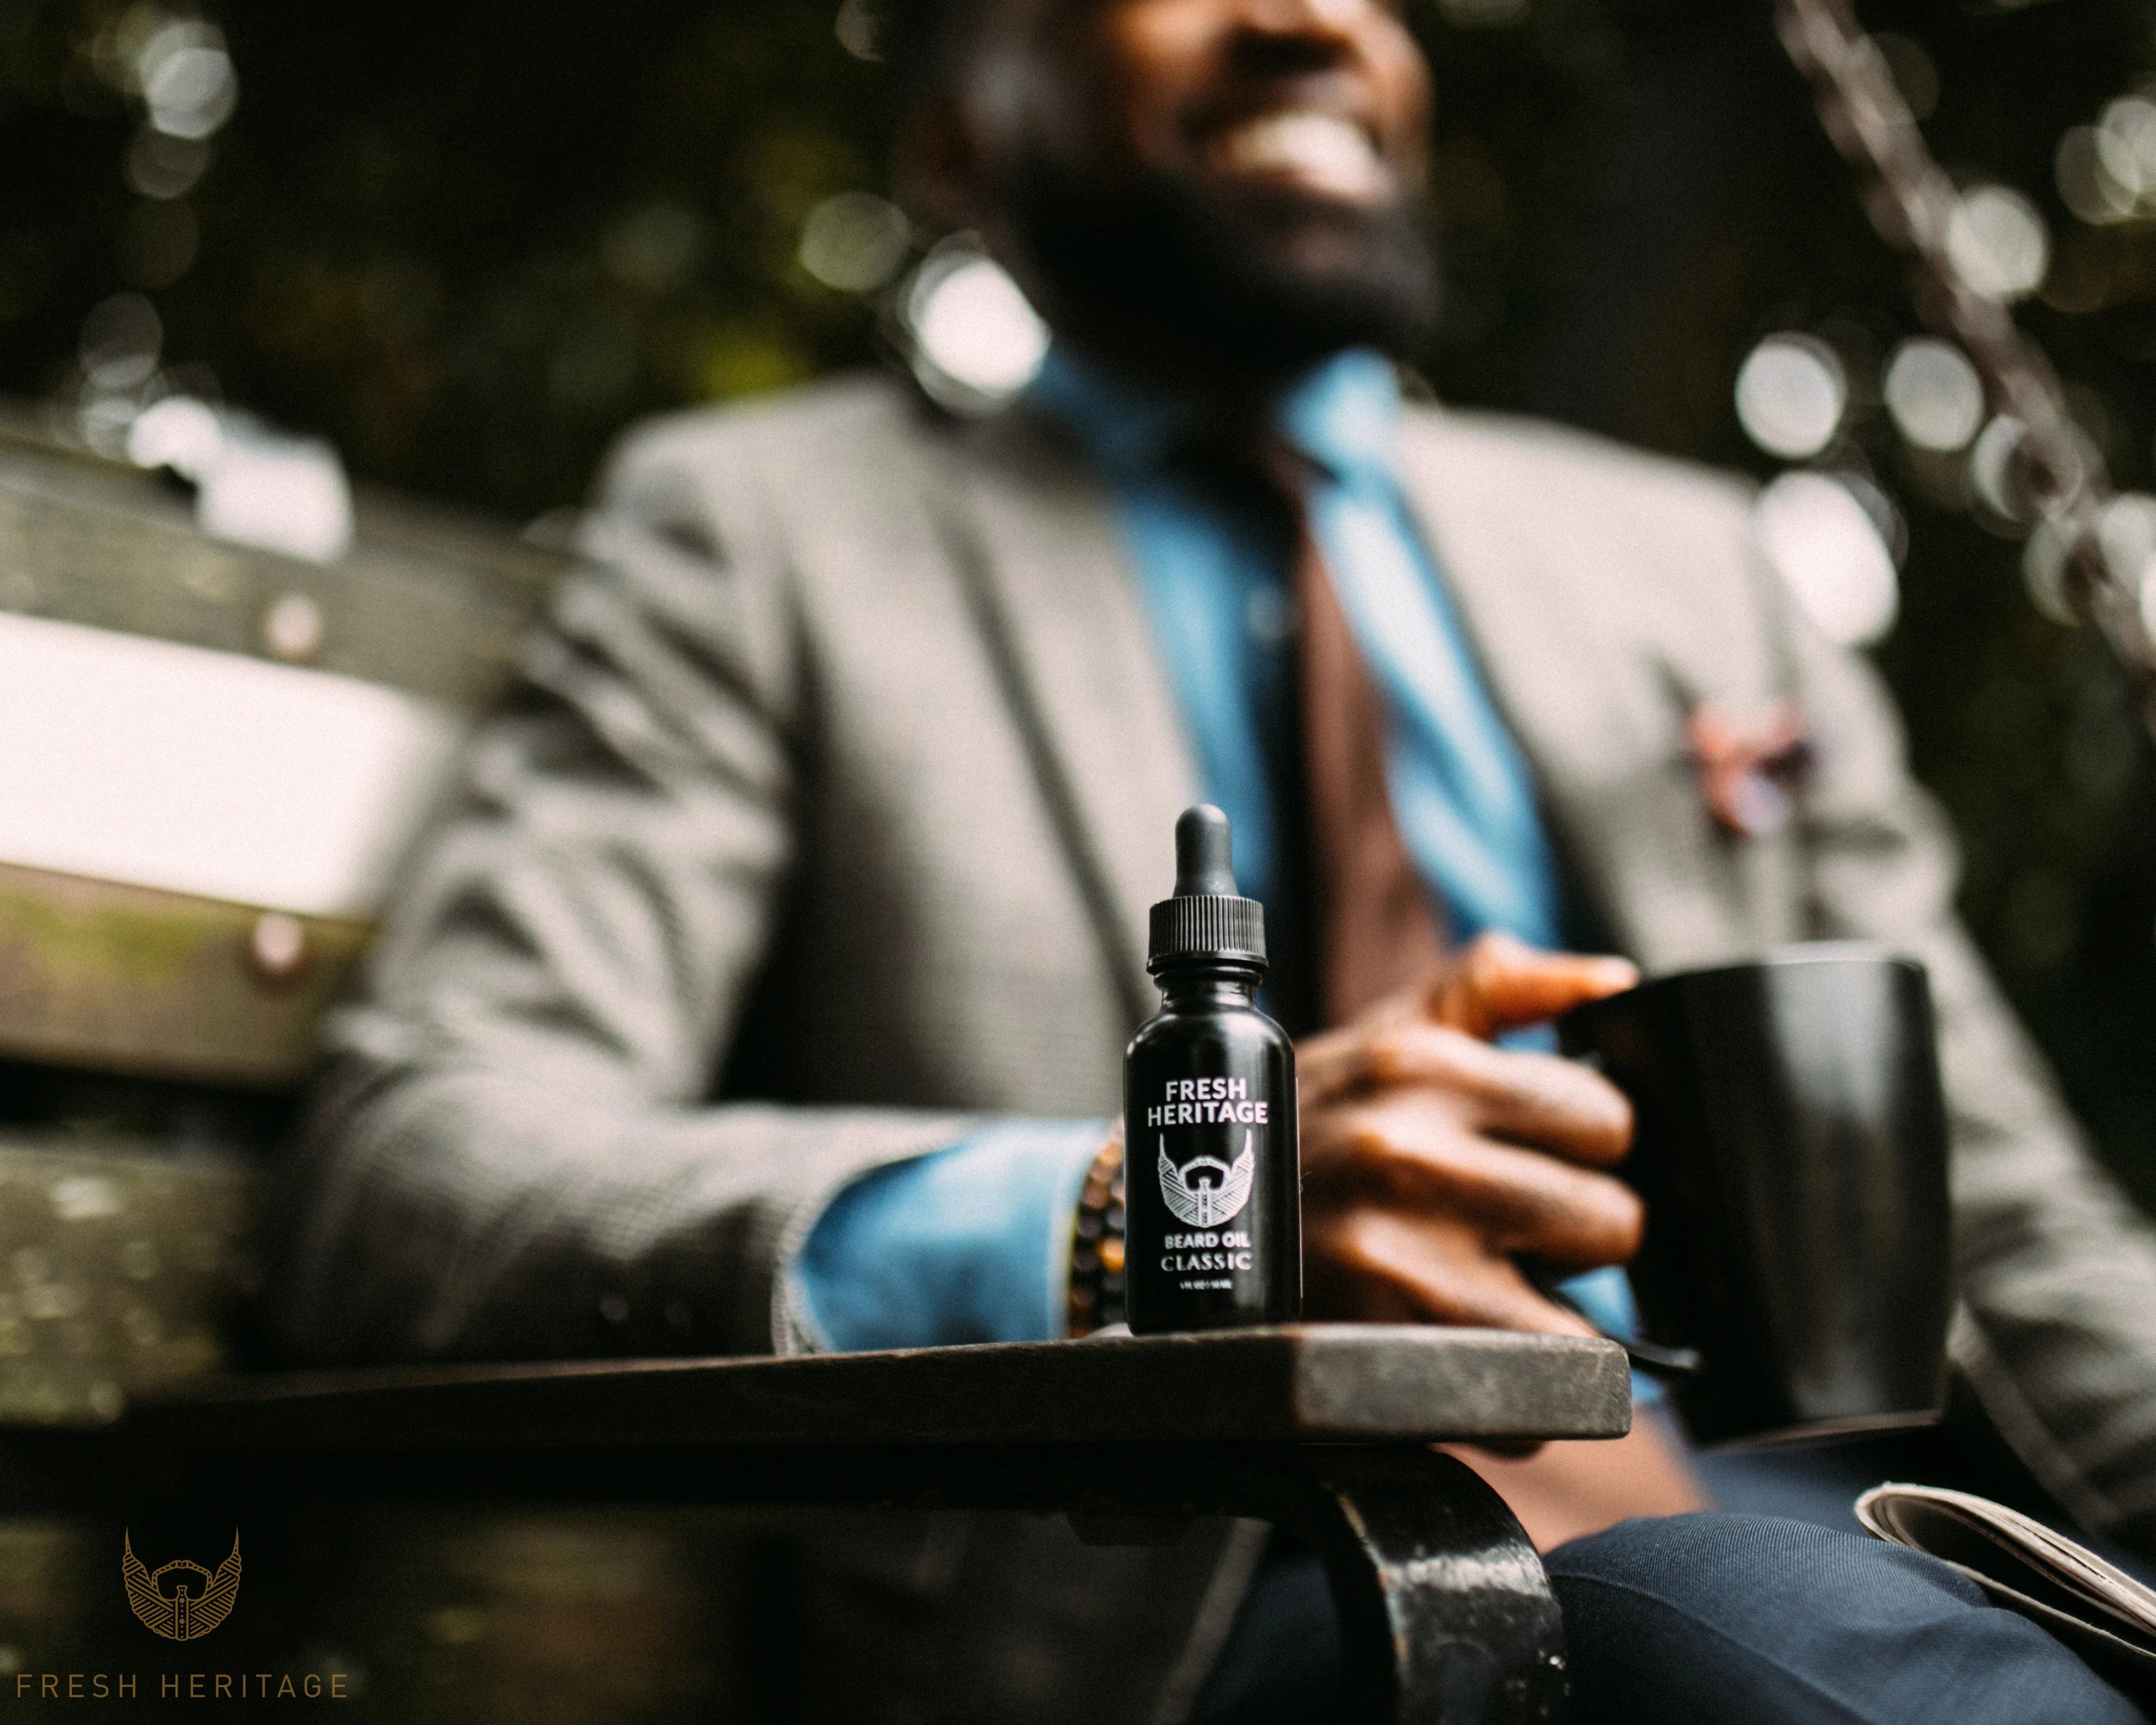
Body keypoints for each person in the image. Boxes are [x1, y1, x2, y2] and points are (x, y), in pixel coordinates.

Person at [268, 0, 2156, 1718]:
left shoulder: (1690, 572)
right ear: (956, 142)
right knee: (1737, 1628)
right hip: (1211, 1597)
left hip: (1854, 1536)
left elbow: (2011, 1222)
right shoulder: (759, 537)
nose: (1306, 17)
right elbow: (417, 1170)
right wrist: (1138, 1227)